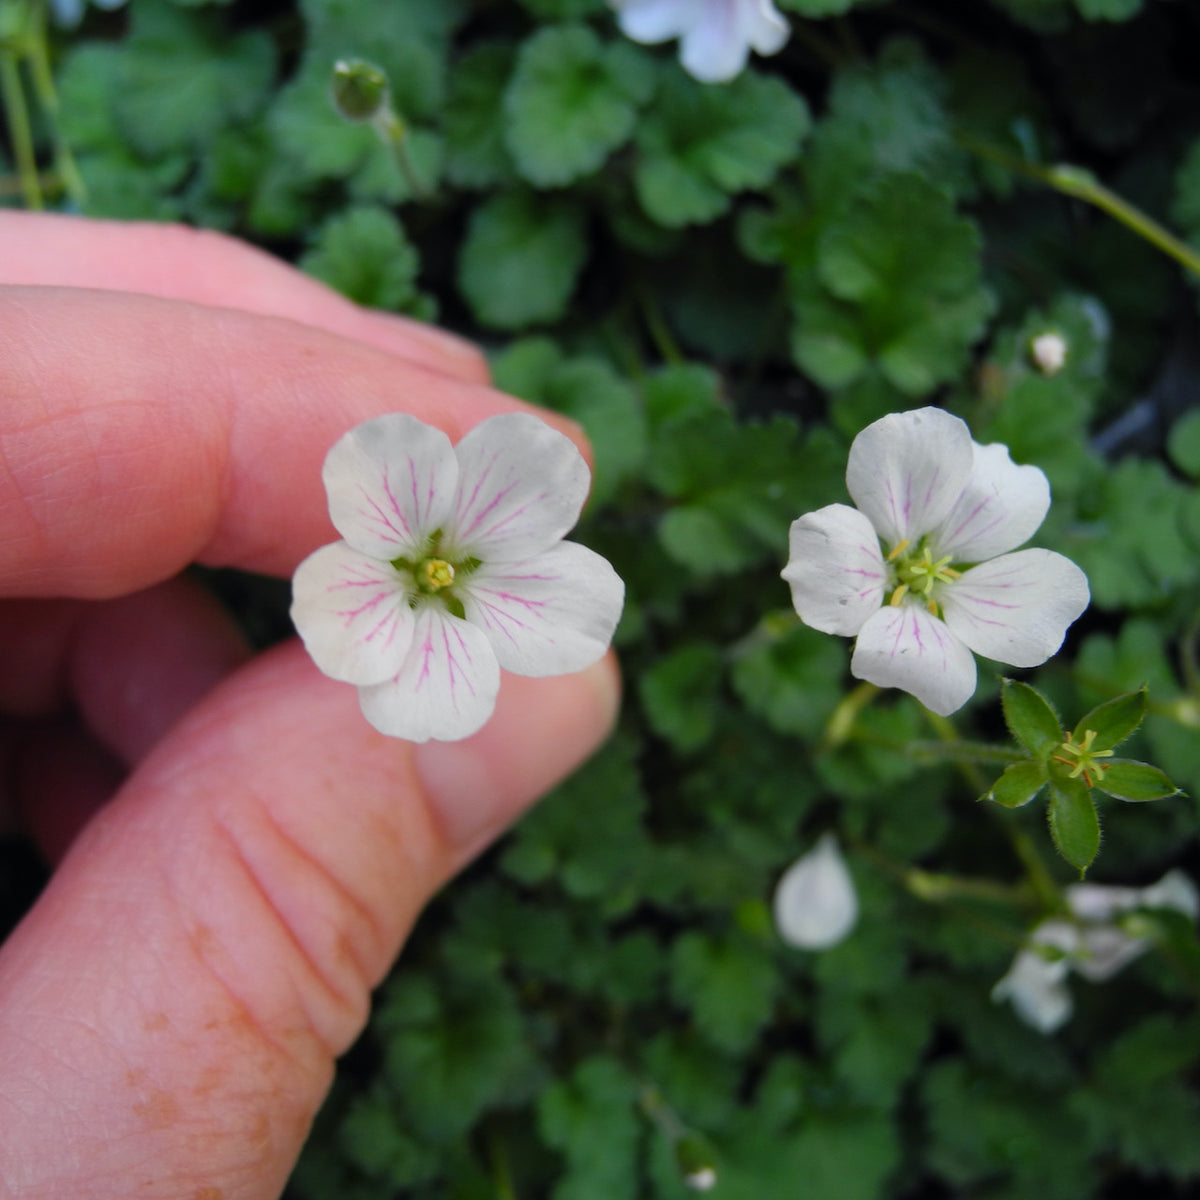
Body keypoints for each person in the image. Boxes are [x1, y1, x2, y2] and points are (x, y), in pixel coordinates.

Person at [0, 211, 620, 1197]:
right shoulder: (387, 550)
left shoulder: (466, 546)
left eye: (444, 567)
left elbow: (530, 553)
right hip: (376, 596)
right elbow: (372, 561)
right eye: (435, 565)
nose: (440, 566)